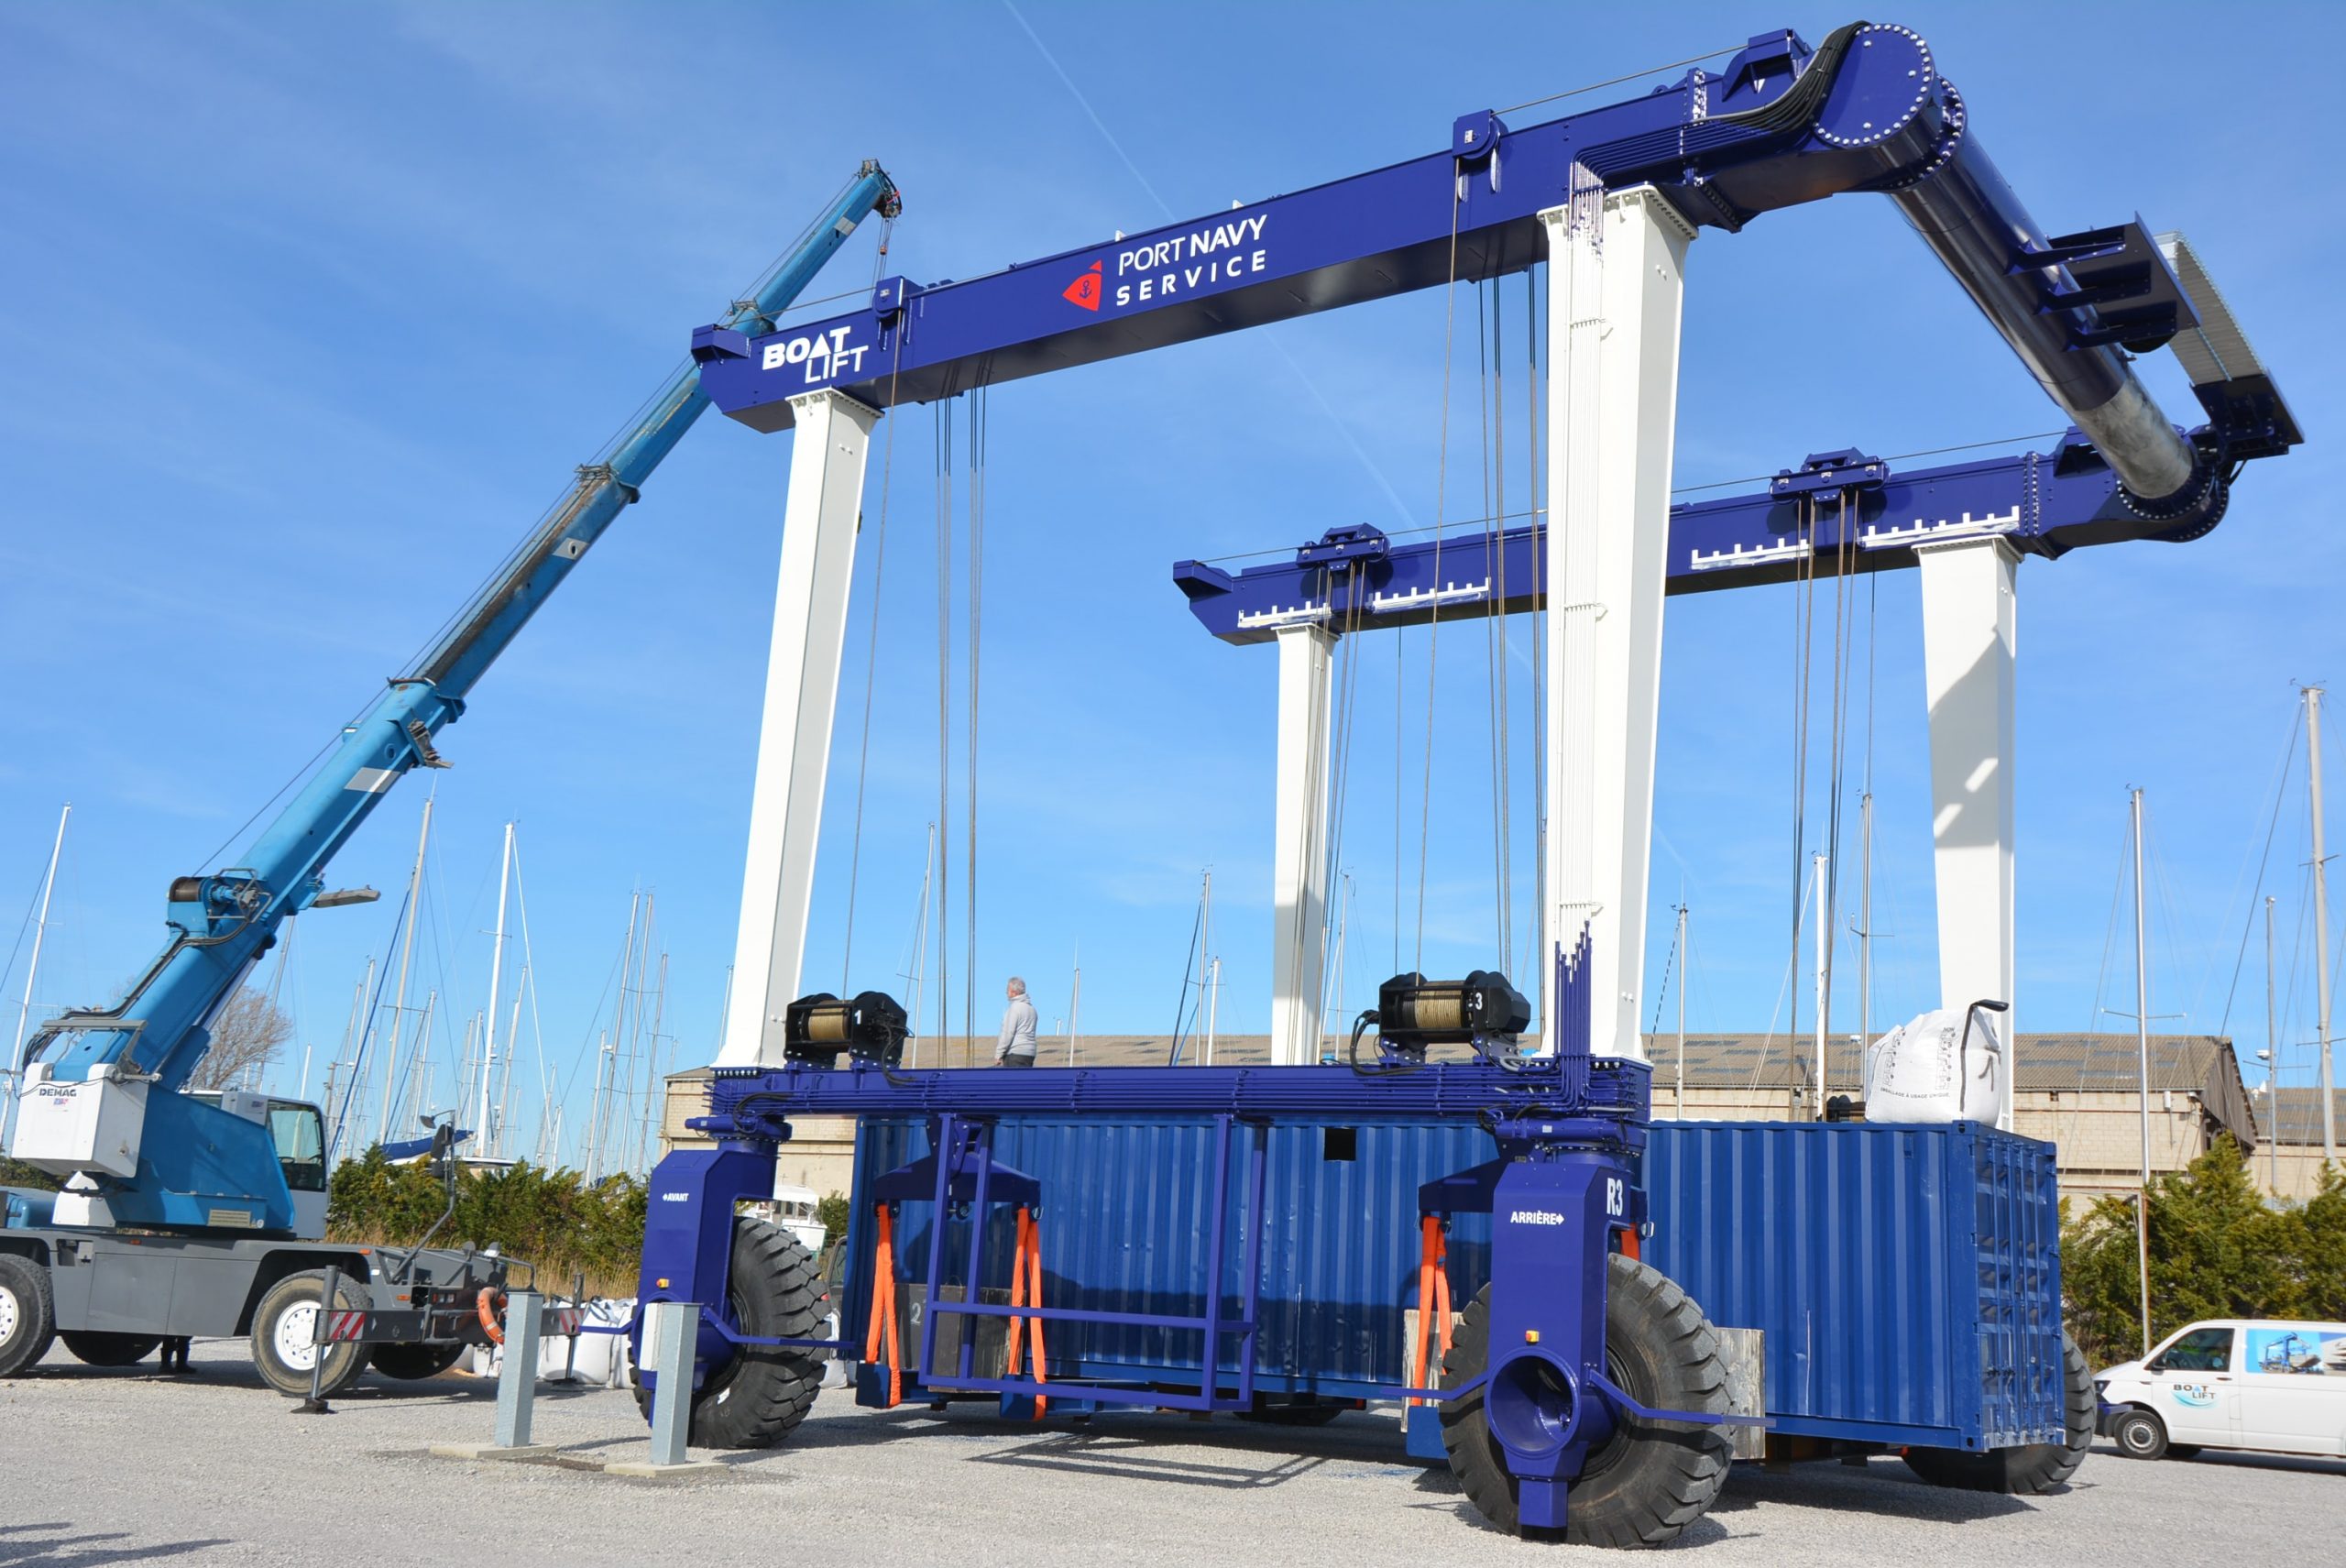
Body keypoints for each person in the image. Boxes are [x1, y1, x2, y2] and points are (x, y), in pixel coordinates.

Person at [994, 977, 1038, 1068]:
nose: (1006, 992)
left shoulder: (1014, 1009)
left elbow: (1007, 1034)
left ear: (1014, 992)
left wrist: (999, 1054)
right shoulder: (1032, 1010)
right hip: (1030, 1053)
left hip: (1015, 1053)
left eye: (1008, 990)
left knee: (1013, 1080)